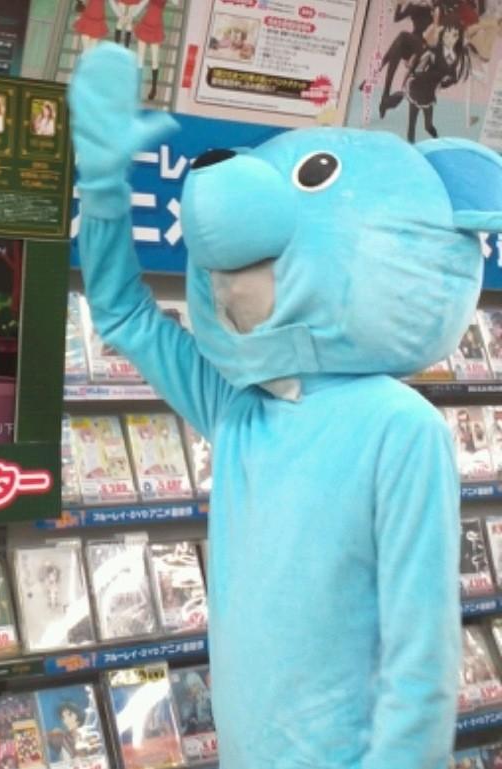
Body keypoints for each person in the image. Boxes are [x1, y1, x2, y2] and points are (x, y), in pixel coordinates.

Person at [70, 42, 502, 769]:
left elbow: (421, 652)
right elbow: (123, 313)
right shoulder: (239, 407)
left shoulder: (401, 428)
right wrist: (105, 187)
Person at [133, 0, 181, 100]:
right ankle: (137, 88)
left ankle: (154, 88)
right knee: (140, 59)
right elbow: (141, 5)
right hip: (145, 24)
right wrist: (131, 15)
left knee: (155, 60)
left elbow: (177, 2)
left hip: (155, 27)